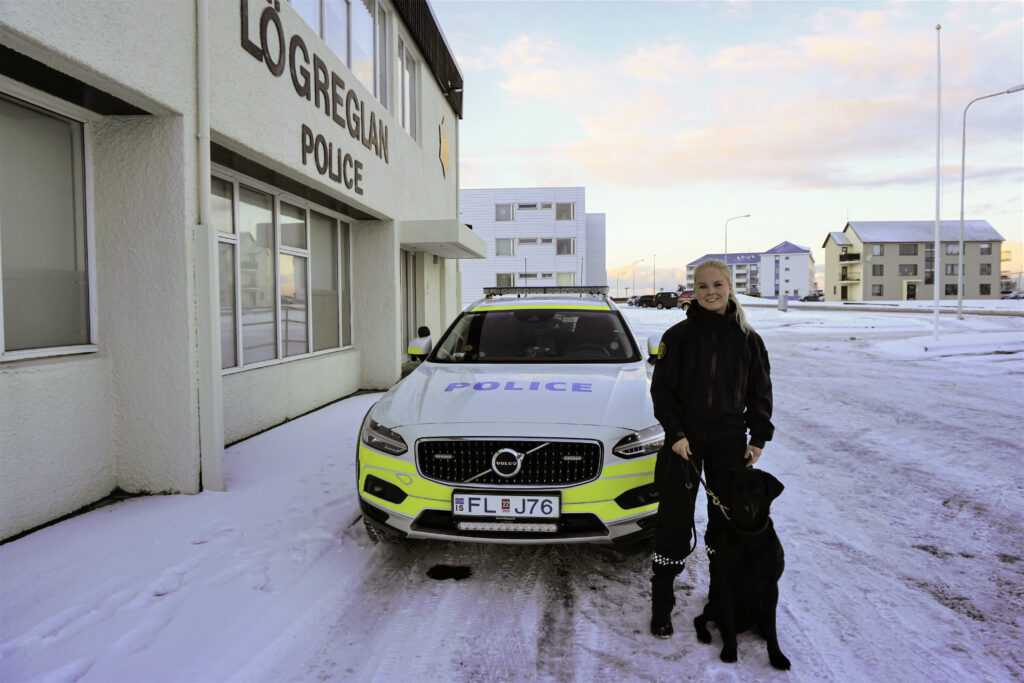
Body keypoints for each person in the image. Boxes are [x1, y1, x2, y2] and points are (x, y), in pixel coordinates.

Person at [647, 258, 774, 637]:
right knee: (674, 519)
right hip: (683, 443)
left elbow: (760, 392)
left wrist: (758, 438)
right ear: (694, 290)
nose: (711, 292)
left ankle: (721, 597)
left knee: (726, 521)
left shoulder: (748, 340)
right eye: (702, 286)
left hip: (729, 442)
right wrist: (675, 434)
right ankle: (662, 602)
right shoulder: (678, 337)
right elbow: (662, 391)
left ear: (729, 287)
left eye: (717, 284)